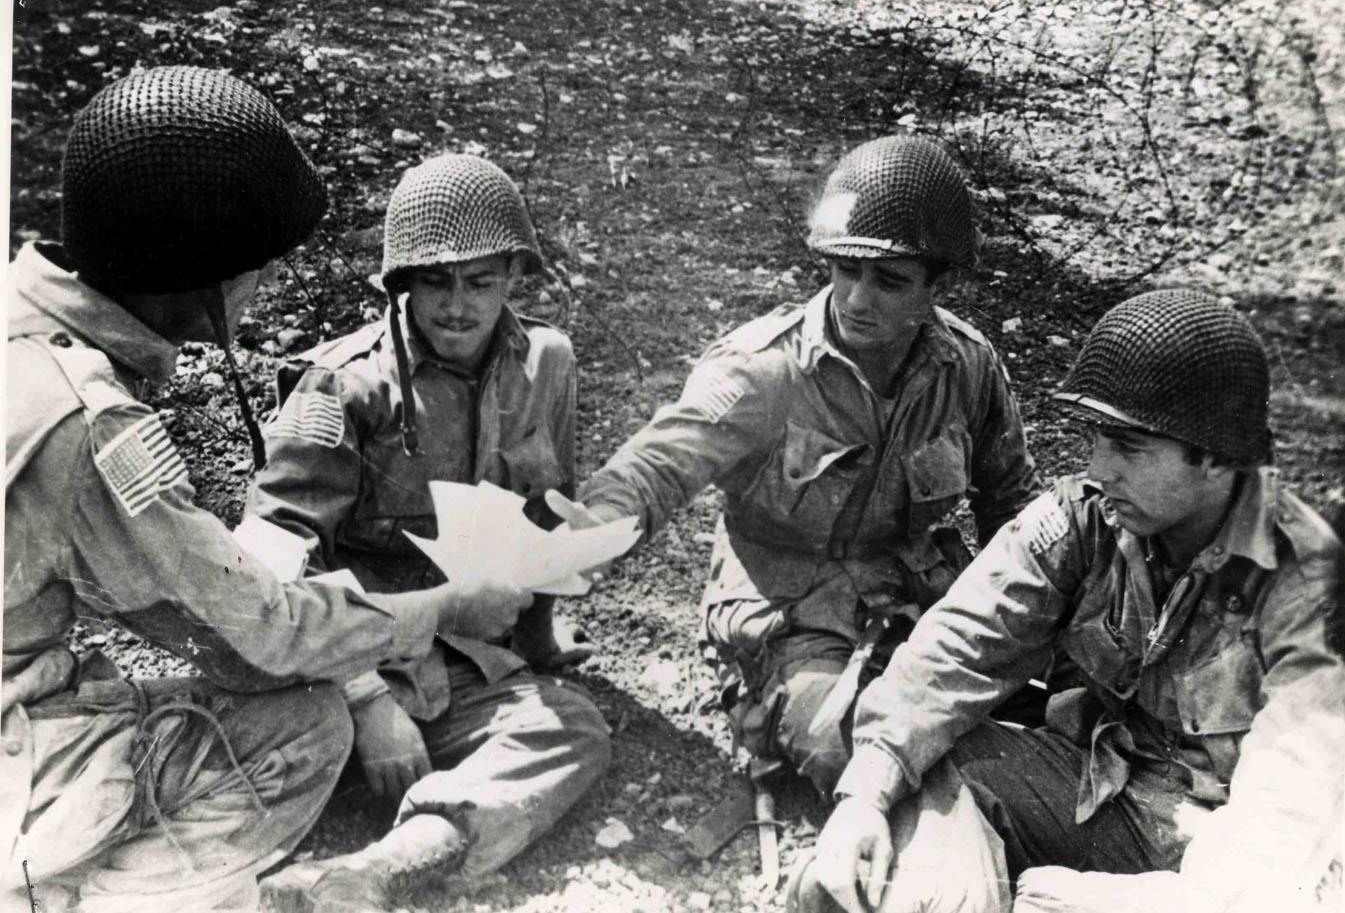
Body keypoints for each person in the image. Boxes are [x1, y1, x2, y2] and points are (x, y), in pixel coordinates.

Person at [2, 67, 531, 913]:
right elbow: (260, 632)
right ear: (201, 276)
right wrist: (446, 607)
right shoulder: (93, 425)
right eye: (254, 269)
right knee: (306, 725)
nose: (262, 289)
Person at [796, 289, 1345, 913]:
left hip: (1233, 853)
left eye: (1129, 446)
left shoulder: (1309, 584)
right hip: (1106, 795)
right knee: (921, 780)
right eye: (1097, 438)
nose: (1100, 467)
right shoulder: (1086, 520)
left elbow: (1286, 824)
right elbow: (953, 652)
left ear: (1216, 458)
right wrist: (862, 798)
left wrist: (1109, 902)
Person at [555, 135, 1039, 794]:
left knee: (1034, 718)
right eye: (845, 270)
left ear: (936, 286)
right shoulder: (766, 368)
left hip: (916, 599)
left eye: (890, 280)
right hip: (789, 614)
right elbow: (658, 466)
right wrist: (585, 536)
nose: (857, 299)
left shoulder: (966, 366)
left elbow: (1014, 508)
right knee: (851, 748)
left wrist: (1030, 626)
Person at [247, 154, 612, 912]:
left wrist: (540, 634)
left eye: (480, 281)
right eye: (436, 282)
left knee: (574, 728)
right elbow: (273, 563)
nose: (456, 306)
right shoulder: (343, 385)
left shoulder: (546, 363)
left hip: (459, 666)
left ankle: (383, 870)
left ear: (515, 275)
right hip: (340, 670)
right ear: (400, 284)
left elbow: (545, 515)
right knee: (242, 762)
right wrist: (367, 703)